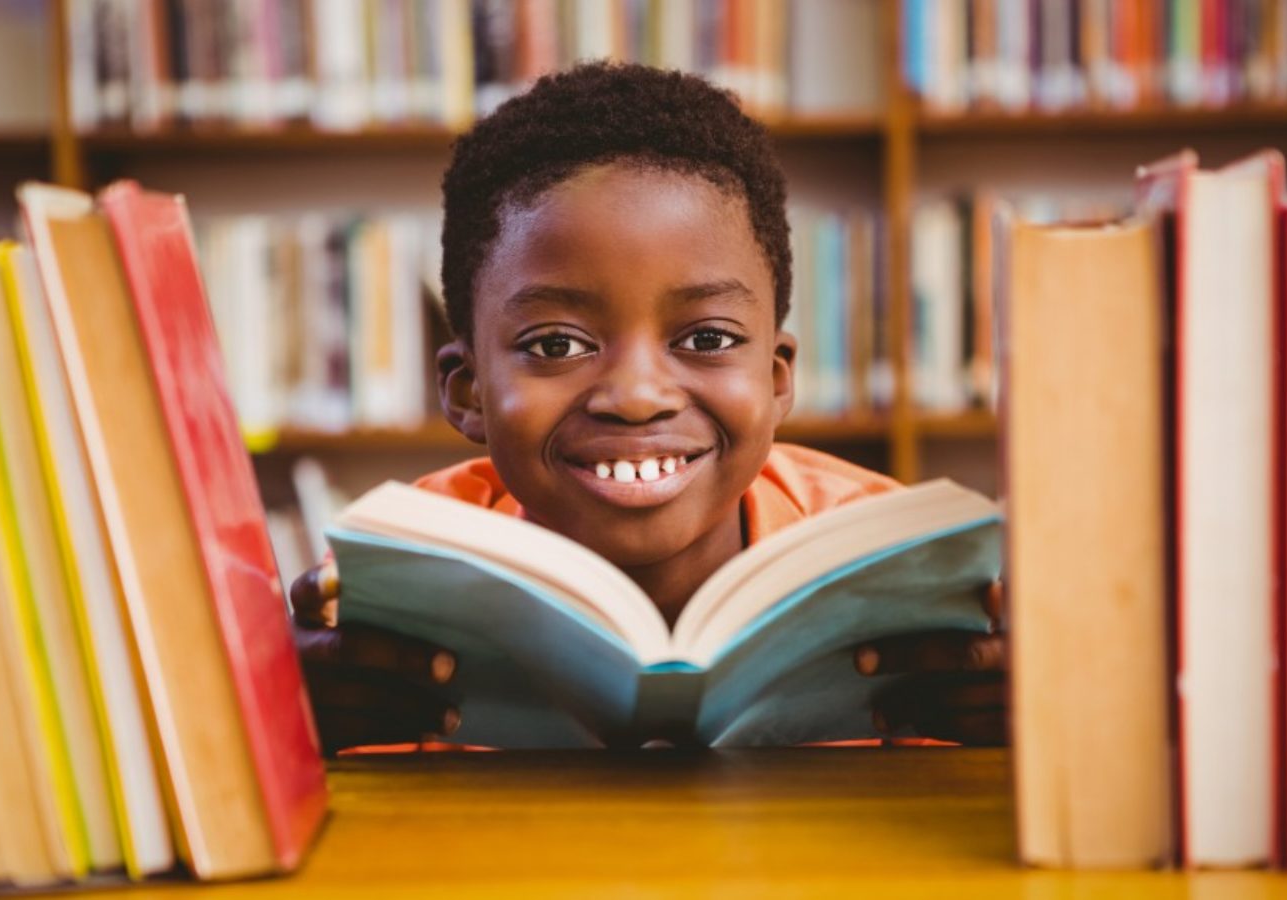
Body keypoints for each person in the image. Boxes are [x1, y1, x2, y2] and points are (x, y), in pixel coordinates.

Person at [290, 62, 1005, 753]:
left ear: (778, 378)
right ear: (467, 392)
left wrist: (1020, 715)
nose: (635, 398)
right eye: (554, 345)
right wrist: (285, 716)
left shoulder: (888, 566)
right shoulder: (404, 579)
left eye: (707, 337)